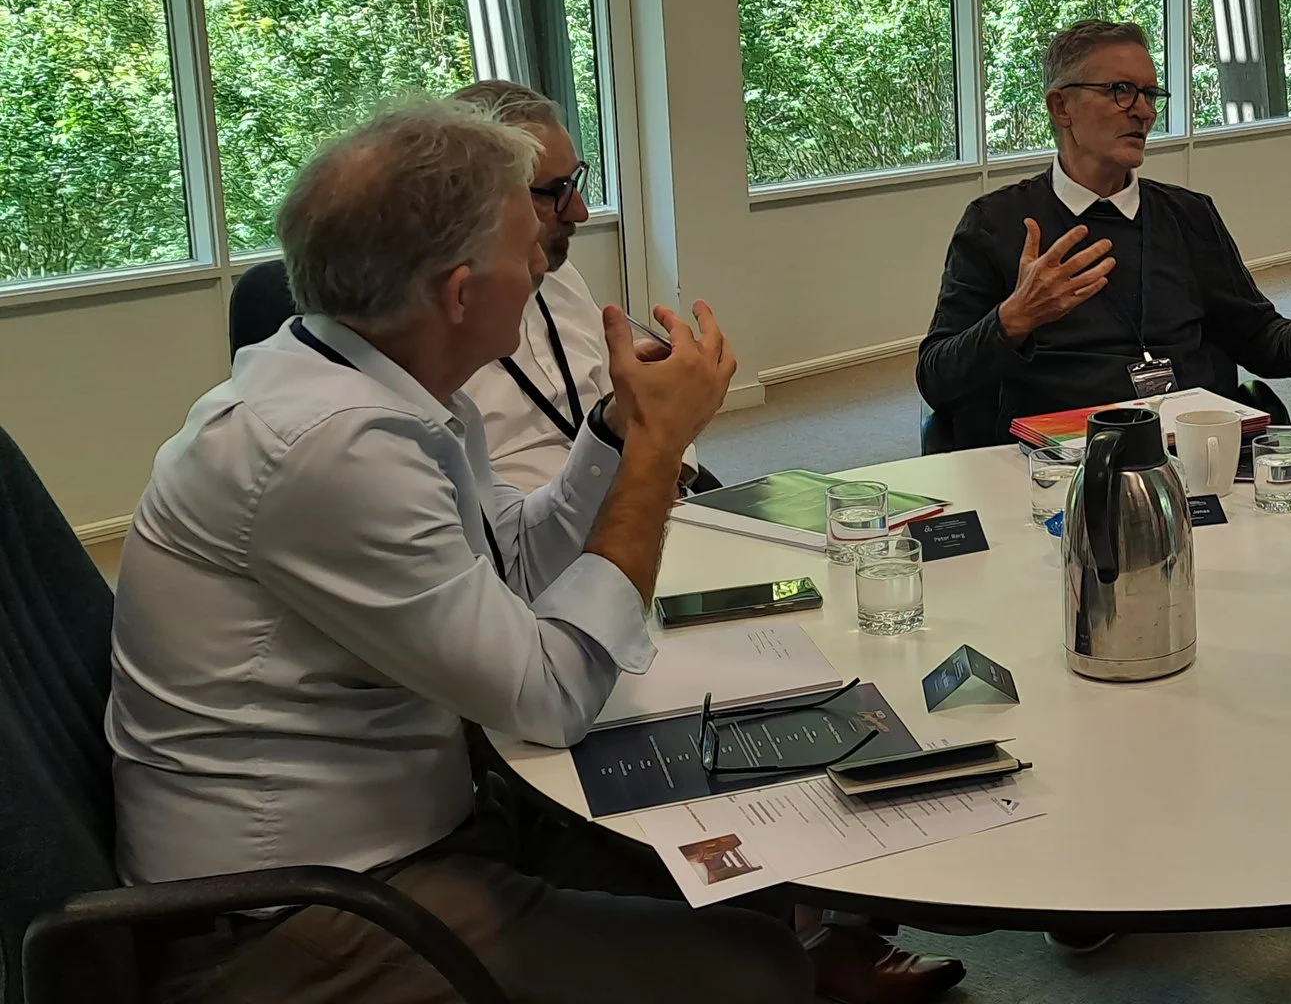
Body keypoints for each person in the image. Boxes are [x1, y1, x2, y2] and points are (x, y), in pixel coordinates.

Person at [105, 103, 961, 1004]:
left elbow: (516, 564)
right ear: (461, 293)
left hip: (414, 818)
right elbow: (549, 698)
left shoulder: (365, 380)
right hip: (297, 916)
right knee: (755, 967)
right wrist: (658, 455)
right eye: (527, 253)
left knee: (751, 868)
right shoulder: (328, 445)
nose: (547, 268)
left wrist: (614, 429)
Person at [918, 20, 1291, 448]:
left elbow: (1257, 337)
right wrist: (1014, 319)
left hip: (1199, 448)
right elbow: (937, 378)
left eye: (1149, 94)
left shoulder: (1189, 215)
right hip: (1065, 462)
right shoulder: (997, 223)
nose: (1142, 111)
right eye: (1120, 91)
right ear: (1062, 107)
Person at [449, 81, 700, 491]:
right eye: (555, 192)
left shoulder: (560, 277)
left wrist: (657, 395)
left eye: (574, 182)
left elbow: (611, 397)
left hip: (641, 487)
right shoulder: (427, 334)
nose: (580, 212)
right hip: (551, 535)